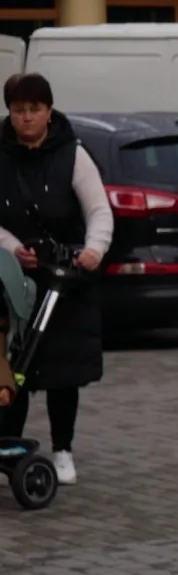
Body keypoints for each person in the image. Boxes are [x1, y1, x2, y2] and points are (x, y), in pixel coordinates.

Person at [0, 73, 113, 485]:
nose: (26, 118)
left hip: (68, 277)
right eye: (18, 111)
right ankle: (8, 448)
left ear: (48, 112)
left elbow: (99, 209)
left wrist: (94, 249)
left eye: (34, 110)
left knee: (64, 371)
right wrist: (13, 248)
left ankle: (63, 450)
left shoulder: (74, 154)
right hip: (17, 277)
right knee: (15, 367)